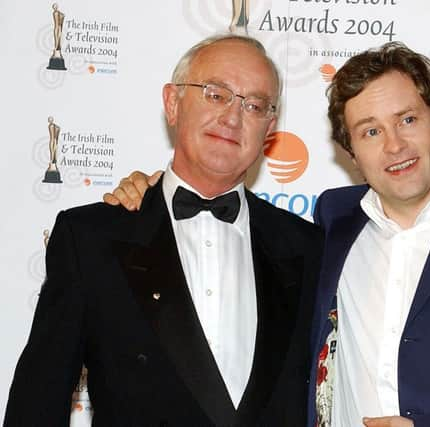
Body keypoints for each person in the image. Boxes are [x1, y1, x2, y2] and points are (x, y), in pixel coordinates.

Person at [104, 42, 430, 426]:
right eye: (370, 131)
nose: (395, 145)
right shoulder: (331, 224)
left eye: (407, 119)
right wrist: (154, 195)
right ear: (350, 152)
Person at [5, 35, 322, 427]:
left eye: (254, 105)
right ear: (173, 104)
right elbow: (38, 402)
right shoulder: (91, 238)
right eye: (215, 94)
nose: (232, 117)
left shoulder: (308, 248)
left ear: (269, 129)